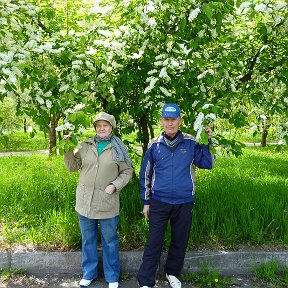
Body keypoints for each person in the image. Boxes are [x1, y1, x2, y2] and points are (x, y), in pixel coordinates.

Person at [137, 103, 213, 288]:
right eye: (167, 119)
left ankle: (172, 273)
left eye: (174, 120)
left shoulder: (191, 142)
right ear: (162, 121)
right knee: (154, 241)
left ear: (180, 121)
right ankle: (146, 280)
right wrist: (146, 201)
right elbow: (145, 174)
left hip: (184, 201)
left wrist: (206, 140)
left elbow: (206, 163)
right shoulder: (154, 145)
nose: (170, 123)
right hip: (159, 201)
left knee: (179, 240)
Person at [64, 111, 134, 288]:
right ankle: (89, 273)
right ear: (95, 128)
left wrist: (115, 185)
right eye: (99, 125)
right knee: (88, 240)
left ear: (112, 128)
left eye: (106, 125)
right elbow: (72, 167)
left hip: (107, 201)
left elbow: (127, 172)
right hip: (85, 202)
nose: (102, 128)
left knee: (110, 241)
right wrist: (67, 147)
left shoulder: (119, 147)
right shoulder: (85, 145)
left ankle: (112, 277)